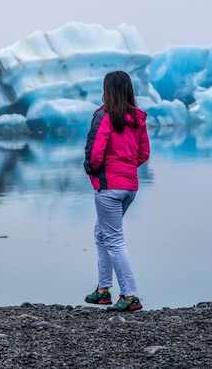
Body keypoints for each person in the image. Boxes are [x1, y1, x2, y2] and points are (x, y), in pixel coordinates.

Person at [83, 70, 150, 312]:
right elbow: (143, 154)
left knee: (113, 239)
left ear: (107, 90)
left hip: (108, 187)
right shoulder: (138, 119)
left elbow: (94, 152)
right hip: (129, 187)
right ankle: (102, 290)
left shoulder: (104, 116)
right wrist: (126, 170)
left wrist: (92, 170)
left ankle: (130, 295)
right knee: (102, 232)